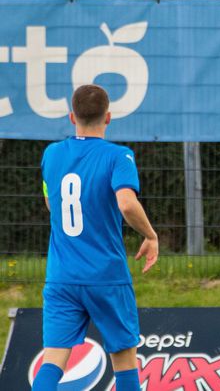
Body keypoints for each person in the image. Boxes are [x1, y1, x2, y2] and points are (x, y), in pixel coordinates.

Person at [33, 85, 159, 391]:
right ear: (109, 117)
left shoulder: (51, 154)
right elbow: (127, 203)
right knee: (124, 359)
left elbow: (52, 203)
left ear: (71, 116)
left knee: (52, 361)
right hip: (106, 276)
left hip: (62, 277)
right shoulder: (118, 156)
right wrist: (150, 235)